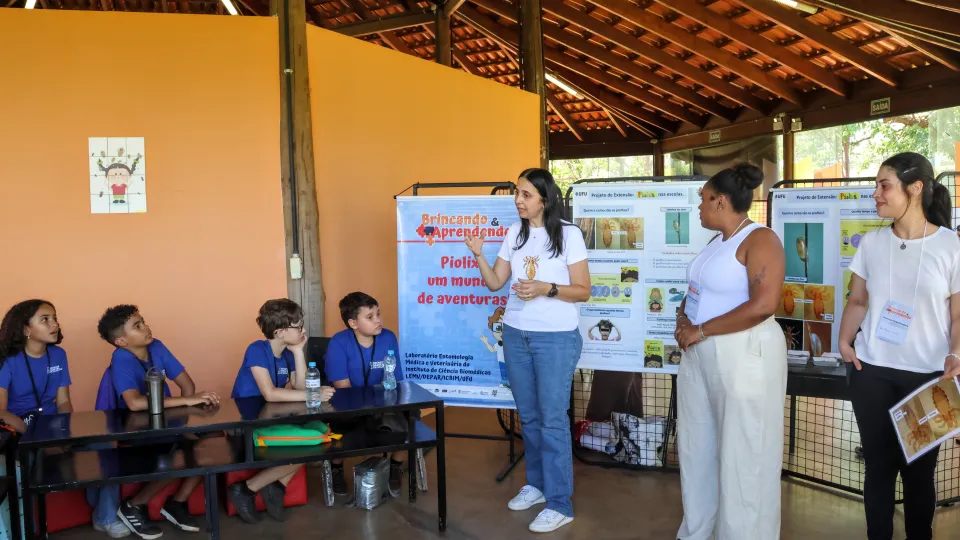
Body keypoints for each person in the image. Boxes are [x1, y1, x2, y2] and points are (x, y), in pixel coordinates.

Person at [838, 152, 960, 540]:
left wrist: (955, 354)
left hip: (927, 379)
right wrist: (844, 342)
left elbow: (958, 315)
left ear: (915, 188)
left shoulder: (950, 246)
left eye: (884, 185)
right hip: (871, 372)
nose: (876, 193)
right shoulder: (873, 243)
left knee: (919, 474)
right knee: (878, 469)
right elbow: (858, 300)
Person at [464, 168, 590, 533]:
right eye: (516, 193)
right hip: (517, 334)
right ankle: (537, 485)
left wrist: (545, 288)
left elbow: (583, 290)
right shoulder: (513, 234)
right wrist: (479, 255)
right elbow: (495, 284)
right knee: (530, 417)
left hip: (556, 338)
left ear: (545, 200)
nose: (518, 200)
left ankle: (560, 503)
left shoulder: (568, 234)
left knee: (552, 420)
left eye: (525, 195)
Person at [673, 164, 787, 540]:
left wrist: (701, 329)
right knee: (698, 448)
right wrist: (683, 319)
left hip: (744, 356)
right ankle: (699, 530)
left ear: (721, 201)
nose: (699, 206)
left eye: (703, 199)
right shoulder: (717, 242)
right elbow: (699, 290)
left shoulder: (761, 239)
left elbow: (764, 305)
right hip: (700, 353)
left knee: (744, 456)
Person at [0, 300, 136, 539]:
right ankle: (29, 531)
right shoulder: (7, 360)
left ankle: (105, 517)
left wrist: (64, 434)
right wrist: (40, 439)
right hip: (21, 432)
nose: (54, 324)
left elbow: (63, 401)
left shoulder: (58, 355)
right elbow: (1, 412)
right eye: (45, 319)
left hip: (54, 427)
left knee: (104, 443)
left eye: (54, 318)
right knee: (26, 465)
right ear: (26, 329)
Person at [98, 305, 219, 539]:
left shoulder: (157, 346)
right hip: (135, 430)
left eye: (143, 322)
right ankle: (133, 505)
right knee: (184, 454)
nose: (146, 327)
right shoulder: (121, 357)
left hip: (166, 424)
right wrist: (188, 401)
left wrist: (186, 420)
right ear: (121, 341)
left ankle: (177, 503)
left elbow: (187, 384)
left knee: (213, 439)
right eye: (137, 326)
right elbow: (134, 403)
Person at [229, 298, 334, 523]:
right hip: (249, 425)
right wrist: (314, 394)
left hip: (271, 419)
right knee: (313, 443)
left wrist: (298, 352)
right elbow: (270, 394)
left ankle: (275, 486)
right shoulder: (256, 350)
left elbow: (299, 386)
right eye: (298, 326)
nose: (303, 330)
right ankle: (246, 488)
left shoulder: (287, 353)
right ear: (279, 332)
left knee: (322, 434)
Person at [323, 292, 405, 496]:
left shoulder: (388, 337)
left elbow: (395, 380)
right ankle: (336, 468)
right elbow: (344, 389)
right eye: (370, 317)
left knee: (408, 415)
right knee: (341, 421)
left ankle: (396, 466)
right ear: (353, 323)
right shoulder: (339, 342)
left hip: (382, 402)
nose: (378, 320)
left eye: (378, 314)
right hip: (350, 403)